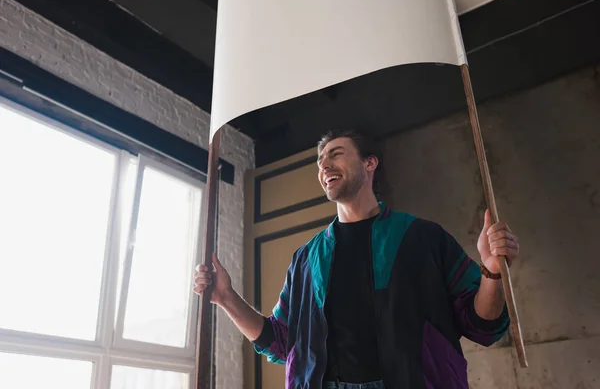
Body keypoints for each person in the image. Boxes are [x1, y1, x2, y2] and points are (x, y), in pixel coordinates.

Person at [193, 130, 519, 389]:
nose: (324, 166)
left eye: (337, 154)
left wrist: (492, 272)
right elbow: (281, 340)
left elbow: (483, 326)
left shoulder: (423, 238)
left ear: (369, 163)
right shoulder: (306, 259)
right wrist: (225, 297)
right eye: (320, 160)